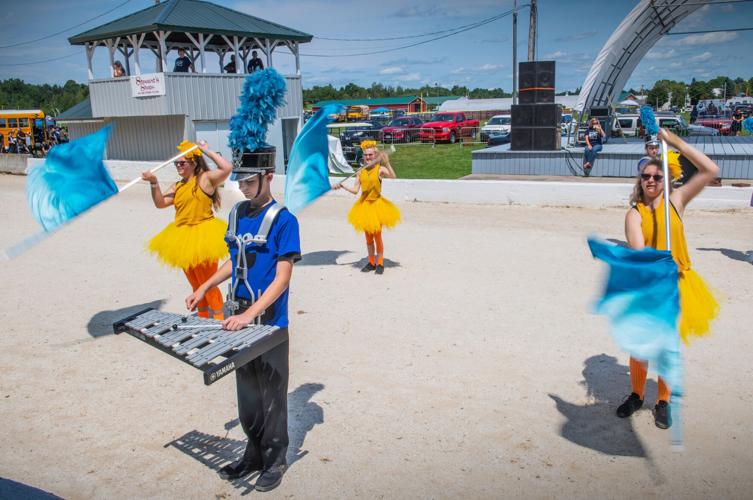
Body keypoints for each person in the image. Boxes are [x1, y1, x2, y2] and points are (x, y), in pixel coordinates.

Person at [185, 161, 301, 492]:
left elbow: (282, 277)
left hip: (269, 325)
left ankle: (275, 458)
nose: (244, 187)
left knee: (272, 396)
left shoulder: (284, 220)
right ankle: (253, 452)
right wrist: (205, 286)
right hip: (236, 321)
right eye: (240, 181)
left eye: (250, 181)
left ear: (268, 176)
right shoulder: (236, 213)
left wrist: (252, 315)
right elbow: (232, 261)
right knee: (247, 395)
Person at [616, 127, 720, 429]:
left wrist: (675, 142)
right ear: (640, 180)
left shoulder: (677, 202)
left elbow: (711, 169)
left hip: (678, 285)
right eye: (646, 176)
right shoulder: (634, 213)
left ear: (666, 180)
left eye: (657, 177)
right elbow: (637, 251)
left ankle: (663, 401)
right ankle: (636, 395)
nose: (651, 181)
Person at [141, 140, 231, 319]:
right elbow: (160, 203)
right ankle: (204, 317)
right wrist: (153, 182)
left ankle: (219, 319)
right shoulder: (177, 186)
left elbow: (226, 168)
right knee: (195, 283)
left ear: (194, 163)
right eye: (176, 163)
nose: (178, 166)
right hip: (182, 238)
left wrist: (206, 150)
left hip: (204, 236)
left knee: (208, 283)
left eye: (182, 163)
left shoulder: (204, 179)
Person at [332, 139, 400, 274]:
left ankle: (380, 263)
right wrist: (342, 186)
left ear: (375, 155)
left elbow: (393, 177)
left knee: (377, 235)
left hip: (377, 205)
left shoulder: (380, 169)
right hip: (364, 206)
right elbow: (355, 190)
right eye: (366, 155)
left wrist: (386, 162)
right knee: (368, 237)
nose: (368, 157)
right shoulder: (360, 171)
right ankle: (371, 262)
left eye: (371, 155)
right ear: (363, 156)